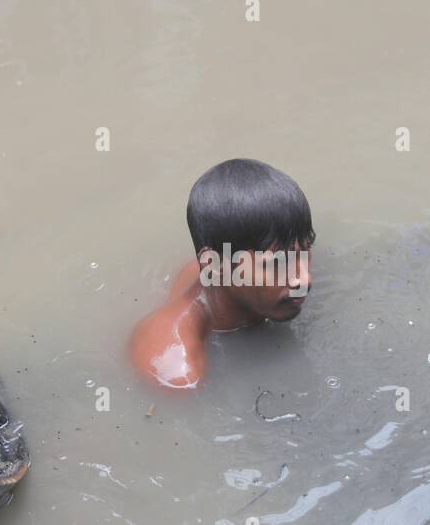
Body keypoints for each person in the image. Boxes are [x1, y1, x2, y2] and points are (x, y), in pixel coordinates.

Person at [129, 159, 314, 389]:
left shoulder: (237, 269)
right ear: (215, 266)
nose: (305, 280)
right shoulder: (176, 369)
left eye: (305, 253)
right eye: (277, 263)